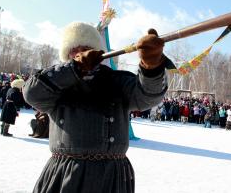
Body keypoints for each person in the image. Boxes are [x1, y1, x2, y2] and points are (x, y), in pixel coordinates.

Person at [23, 22, 169, 193]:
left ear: (98, 53)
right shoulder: (56, 83)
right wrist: (74, 67)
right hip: (66, 173)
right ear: (67, 55)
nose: (81, 53)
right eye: (74, 50)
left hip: (111, 175)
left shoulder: (117, 81)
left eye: (86, 48)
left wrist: (151, 67)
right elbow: (31, 94)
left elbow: (148, 97)